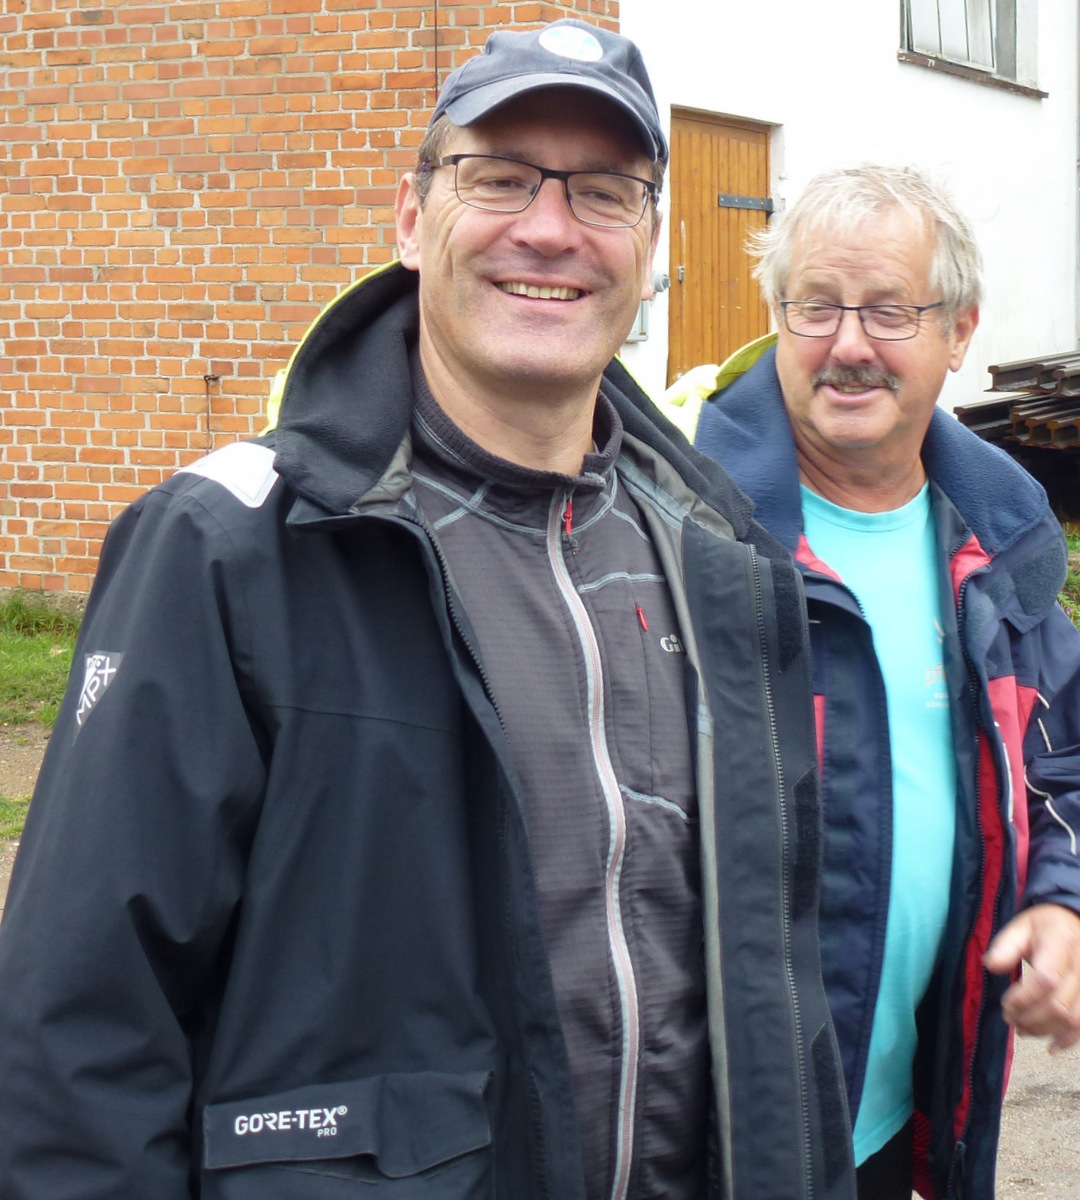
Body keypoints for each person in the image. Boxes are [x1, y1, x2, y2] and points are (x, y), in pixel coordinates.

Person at [0, 22, 853, 1200]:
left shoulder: (718, 560)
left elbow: (772, 995)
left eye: (604, 191)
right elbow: (80, 1030)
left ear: (650, 247)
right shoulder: (229, 550)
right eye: (497, 178)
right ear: (411, 220)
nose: (549, 228)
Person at [693, 165, 1080, 1200]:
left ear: (959, 331)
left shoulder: (998, 545)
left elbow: (1061, 782)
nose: (848, 345)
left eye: (891, 312)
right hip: (716, 1144)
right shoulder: (691, 532)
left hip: (903, 1117)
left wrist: (1078, 910)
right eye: (816, 306)